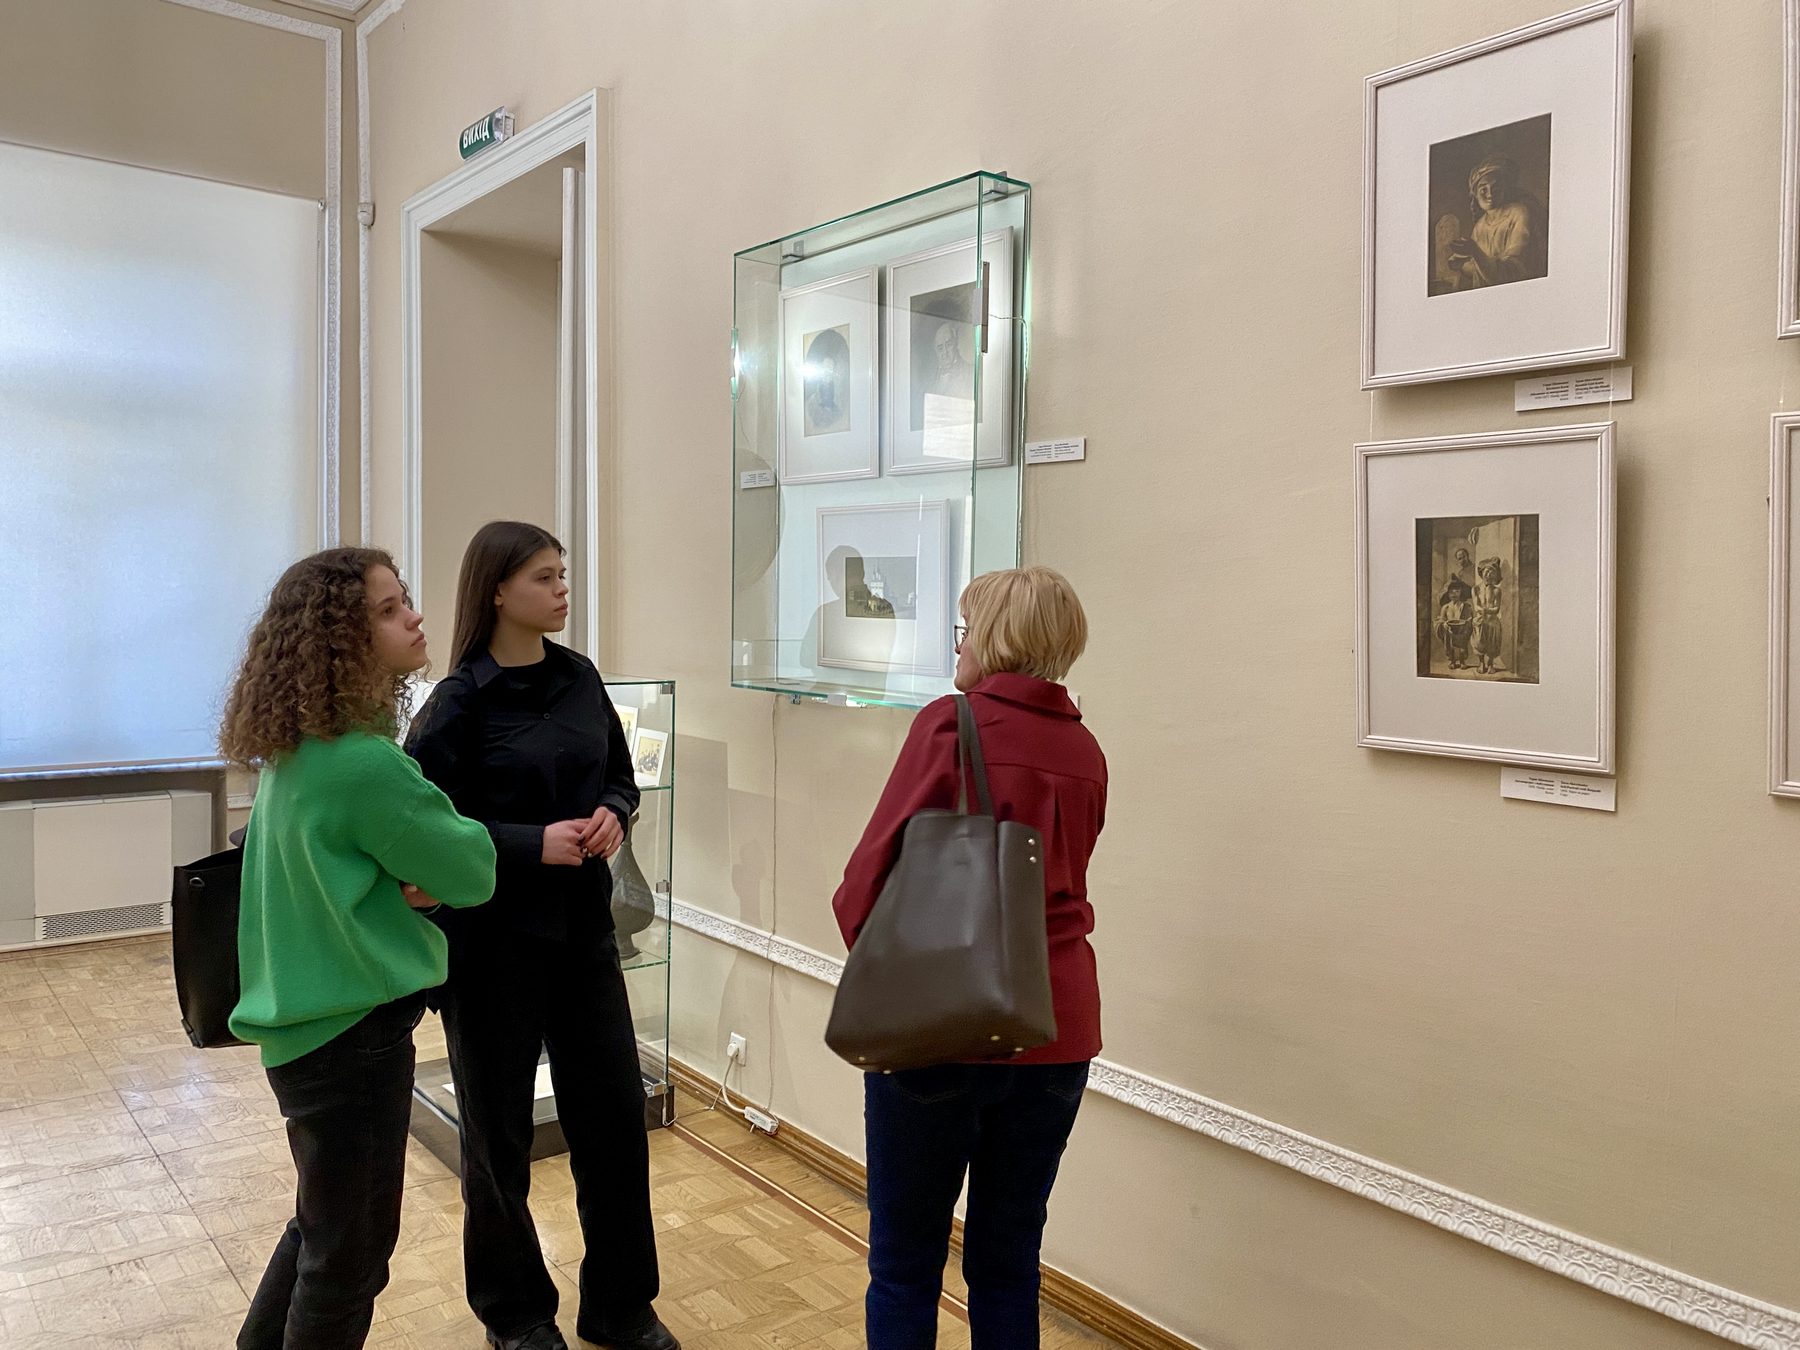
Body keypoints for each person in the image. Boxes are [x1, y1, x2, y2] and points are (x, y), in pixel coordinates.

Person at [405, 521, 676, 1350]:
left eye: (563, 574)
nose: (562, 590)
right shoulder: (456, 704)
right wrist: (530, 844)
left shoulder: (579, 677)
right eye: (545, 577)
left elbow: (620, 777)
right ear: (497, 591)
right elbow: (423, 835)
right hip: (492, 948)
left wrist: (614, 813)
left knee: (615, 1123)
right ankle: (516, 1315)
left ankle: (621, 1306)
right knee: (499, 1142)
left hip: (586, 937)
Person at [221, 547, 498, 1350]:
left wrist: (404, 880)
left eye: (404, 598)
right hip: (354, 1037)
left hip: (305, 1033)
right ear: (342, 637)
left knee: (321, 1229)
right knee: (349, 1259)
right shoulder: (365, 764)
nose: (414, 615)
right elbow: (473, 869)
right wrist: (430, 875)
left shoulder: (299, 751)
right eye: (388, 608)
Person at [831, 565, 1107, 1350]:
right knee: (1009, 1260)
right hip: (1058, 1026)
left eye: (965, 627)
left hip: (942, 1023)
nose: (959, 644)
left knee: (905, 1262)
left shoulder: (951, 725)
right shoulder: (1085, 748)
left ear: (997, 637)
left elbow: (866, 882)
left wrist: (885, 979)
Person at [1446, 154, 1547, 290]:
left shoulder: (1519, 213)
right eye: (1483, 189)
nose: (1490, 194)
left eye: (1496, 187)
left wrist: (1475, 252)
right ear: (1475, 195)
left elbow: (1512, 272)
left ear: (1505, 189)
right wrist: (1462, 265)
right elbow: (1482, 273)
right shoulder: (1480, 226)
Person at [1471, 557, 1505, 675]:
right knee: (1479, 642)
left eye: (1492, 572)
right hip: (1480, 620)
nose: (1489, 575)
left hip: (1492, 621)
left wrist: (1487, 611)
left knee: (1492, 643)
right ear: (1482, 573)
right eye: (1487, 572)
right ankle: (1481, 663)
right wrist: (1483, 611)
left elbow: (1496, 608)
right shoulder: (1475, 589)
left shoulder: (1497, 591)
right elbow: (1476, 606)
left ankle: (1490, 664)